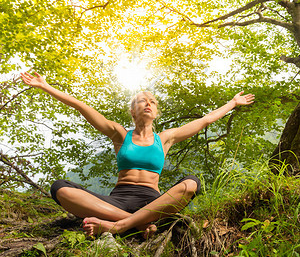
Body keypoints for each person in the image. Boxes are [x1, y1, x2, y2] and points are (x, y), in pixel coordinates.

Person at [21, 71, 255, 238]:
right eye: (141, 101)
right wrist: (45, 86)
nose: (148, 103)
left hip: (153, 200)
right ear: (133, 111)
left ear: (156, 112)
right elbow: (82, 107)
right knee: (60, 188)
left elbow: (205, 120)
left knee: (191, 184)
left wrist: (233, 103)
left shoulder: (165, 138)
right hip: (117, 199)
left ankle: (119, 226)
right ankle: (138, 224)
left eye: (152, 101)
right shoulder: (120, 134)